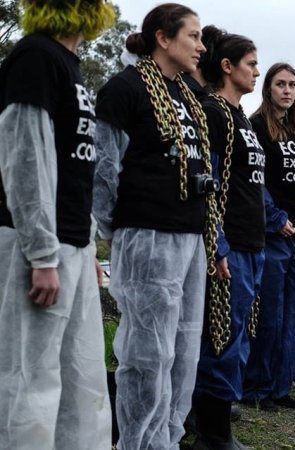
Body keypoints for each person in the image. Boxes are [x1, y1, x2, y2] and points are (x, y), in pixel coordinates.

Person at [93, 4, 213, 449]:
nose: (201, 46)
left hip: (189, 235)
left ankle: (166, 439)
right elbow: (104, 169)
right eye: (193, 36)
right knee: (147, 354)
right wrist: (114, 231)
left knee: (182, 351)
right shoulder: (124, 89)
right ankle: (137, 444)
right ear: (164, 38)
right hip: (147, 235)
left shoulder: (187, 94)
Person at [0, 0, 115, 448]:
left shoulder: (70, 64)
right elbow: (24, 159)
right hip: (35, 247)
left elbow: (74, 170)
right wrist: (42, 254)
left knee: (81, 374)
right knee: (29, 377)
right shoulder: (36, 56)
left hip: (71, 245)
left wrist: (86, 249)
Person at [191, 26, 263, 450]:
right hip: (229, 246)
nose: (256, 71)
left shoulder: (240, 116)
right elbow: (210, 182)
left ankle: (218, 428)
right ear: (227, 66)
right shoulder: (214, 112)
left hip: (253, 246)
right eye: (251, 64)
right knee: (219, 339)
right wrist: (217, 243)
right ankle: (212, 436)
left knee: (236, 339)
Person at [243, 63, 295, 410]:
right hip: (273, 235)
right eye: (280, 84)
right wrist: (275, 218)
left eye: (292, 85)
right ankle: (256, 388)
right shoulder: (256, 127)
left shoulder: (293, 132)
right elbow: (256, 183)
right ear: (268, 89)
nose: (287, 90)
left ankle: (280, 388)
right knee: (269, 315)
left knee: (292, 315)